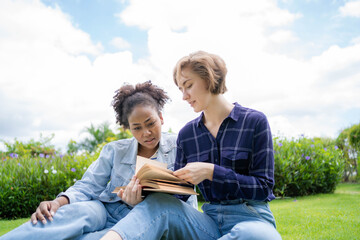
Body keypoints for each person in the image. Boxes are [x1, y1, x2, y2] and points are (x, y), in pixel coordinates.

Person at [100, 51, 281, 240]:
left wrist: (211, 171)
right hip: (208, 224)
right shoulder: (188, 134)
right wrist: (143, 195)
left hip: (252, 219)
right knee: (161, 202)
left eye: (189, 86)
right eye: (180, 89)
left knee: (259, 236)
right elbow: (179, 196)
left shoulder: (254, 121)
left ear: (209, 79)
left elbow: (263, 188)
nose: (184, 96)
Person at [0, 81, 197, 240]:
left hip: (138, 220)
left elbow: (187, 202)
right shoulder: (114, 150)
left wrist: (141, 204)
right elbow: (88, 186)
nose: (146, 133)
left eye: (151, 123)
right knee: (72, 214)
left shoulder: (180, 146)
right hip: (104, 207)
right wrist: (58, 202)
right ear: (128, 128)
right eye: (136, 127)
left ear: (161, 118)